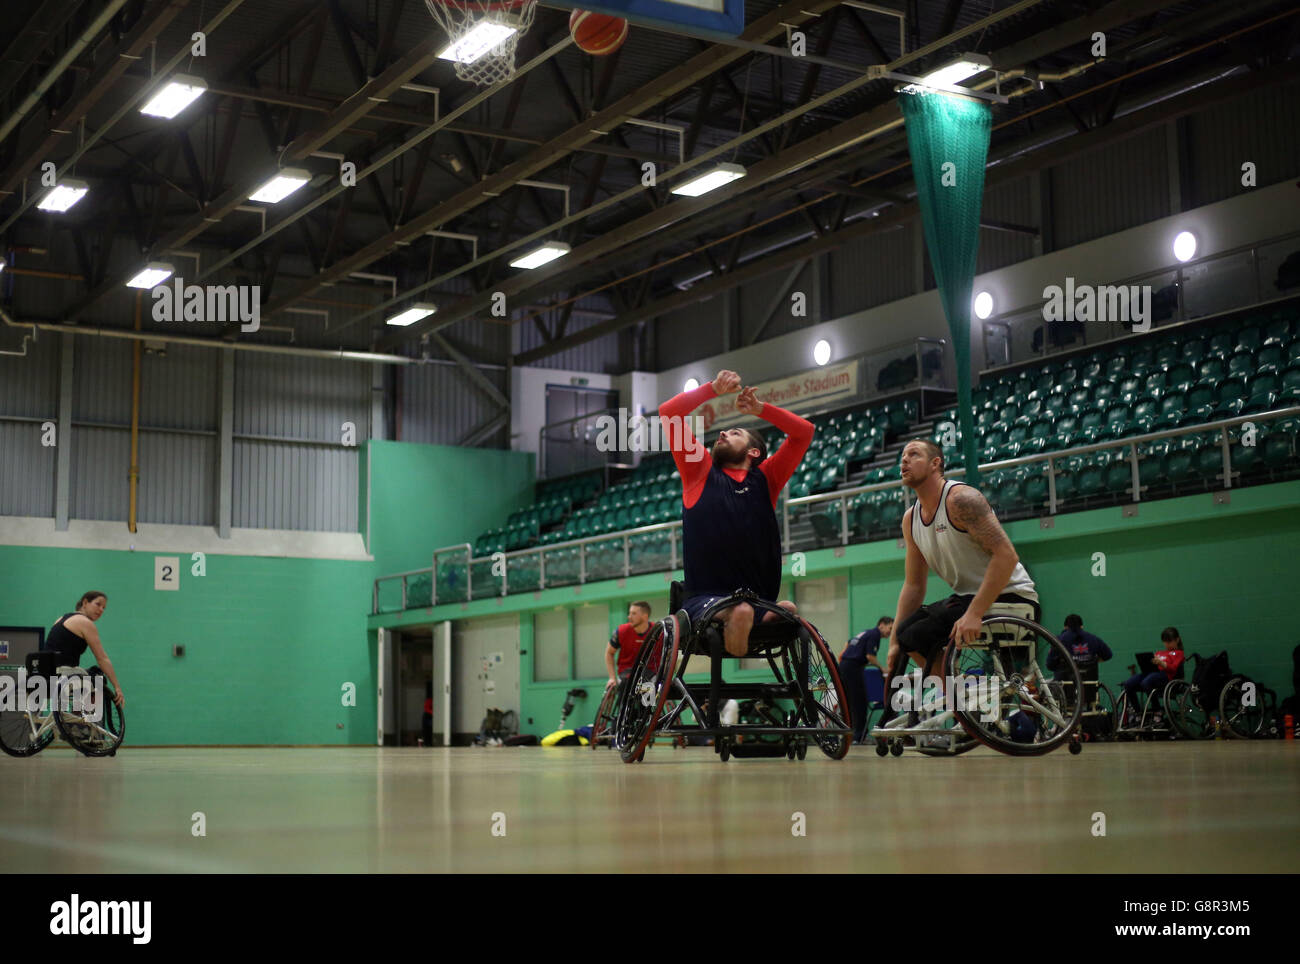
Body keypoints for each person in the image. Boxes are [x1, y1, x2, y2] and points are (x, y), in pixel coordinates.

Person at [883, 439, 1039, 733]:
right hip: (969, 599)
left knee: (919, 631)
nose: (903, 462)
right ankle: (964, 704)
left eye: (913, 455)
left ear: (935, 464)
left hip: (1012, 597)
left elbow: (1007, 556)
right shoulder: (911, 519)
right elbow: (914, 585)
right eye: (901, 457)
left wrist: (975, 613)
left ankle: (965, 710)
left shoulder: (962, 499)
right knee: (908, 634)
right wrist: (894, 643)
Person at [659, 370, 814, 657]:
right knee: (743, 611)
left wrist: (760, 409)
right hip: (703, 600)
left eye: (735, 433)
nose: (722, 433)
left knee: (787, 609)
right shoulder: (698, 471)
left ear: (754, 453)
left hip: (758, 600)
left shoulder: (766, 479)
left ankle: (746, 623)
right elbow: (669, 413)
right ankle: (736, 639)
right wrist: (712, 389)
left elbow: (803, 433)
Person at [42, 591, 124, 709]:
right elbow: (102, 658)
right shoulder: (85, 622)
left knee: (87, 674)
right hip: (63, 674)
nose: (101, 610)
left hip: (44, 673)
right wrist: (117, 687)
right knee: (99, 677)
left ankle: (77, 718)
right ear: (85, 602)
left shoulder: (61, 618)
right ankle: (83, 720)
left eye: (104, 608)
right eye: (98, 604)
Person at [840, 617, 893, 742]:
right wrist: (882, 669)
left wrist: (843, 658)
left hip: (844, 665)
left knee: (849, 702)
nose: (890, 632)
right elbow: (870, 656)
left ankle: (849, 735)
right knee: (860, 703)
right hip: (853, 667)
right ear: (881, 625)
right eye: (890, 628)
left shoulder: (866, 632)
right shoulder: (875, 634)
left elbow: (848, 643)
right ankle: (858, 736)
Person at [1121, 626, 1185, 701]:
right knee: (1128, 684)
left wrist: (1161, 663)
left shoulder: (1179, 653)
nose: (1167, 644)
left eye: (1169, 642)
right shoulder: (1160, 653)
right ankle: (1136, 710)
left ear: (1177, 640)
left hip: (1166, 676)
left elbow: (1174, 669)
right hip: (1152, 673)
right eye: (1165, 642)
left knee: (1146, 682)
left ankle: (1156, 709)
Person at [1047, 613, 1113, 680]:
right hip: (1090, 684)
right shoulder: (1094, 639)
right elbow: (1108, 655)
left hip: (1066, 685)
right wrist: (1093, 661)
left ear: (1065, 627)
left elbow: (1050, 665)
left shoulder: (1059, 640)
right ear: (1081, 626)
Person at [605, 601, 653, 688]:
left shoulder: (657, 632)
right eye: (629, 613)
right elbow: (609, 653)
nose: (629, 617)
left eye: (633, 614)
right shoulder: (621, 631)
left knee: (654, 686)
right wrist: (612, 678)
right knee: (626, 683)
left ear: (645, 616)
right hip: (627, 672)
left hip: (650, 672)